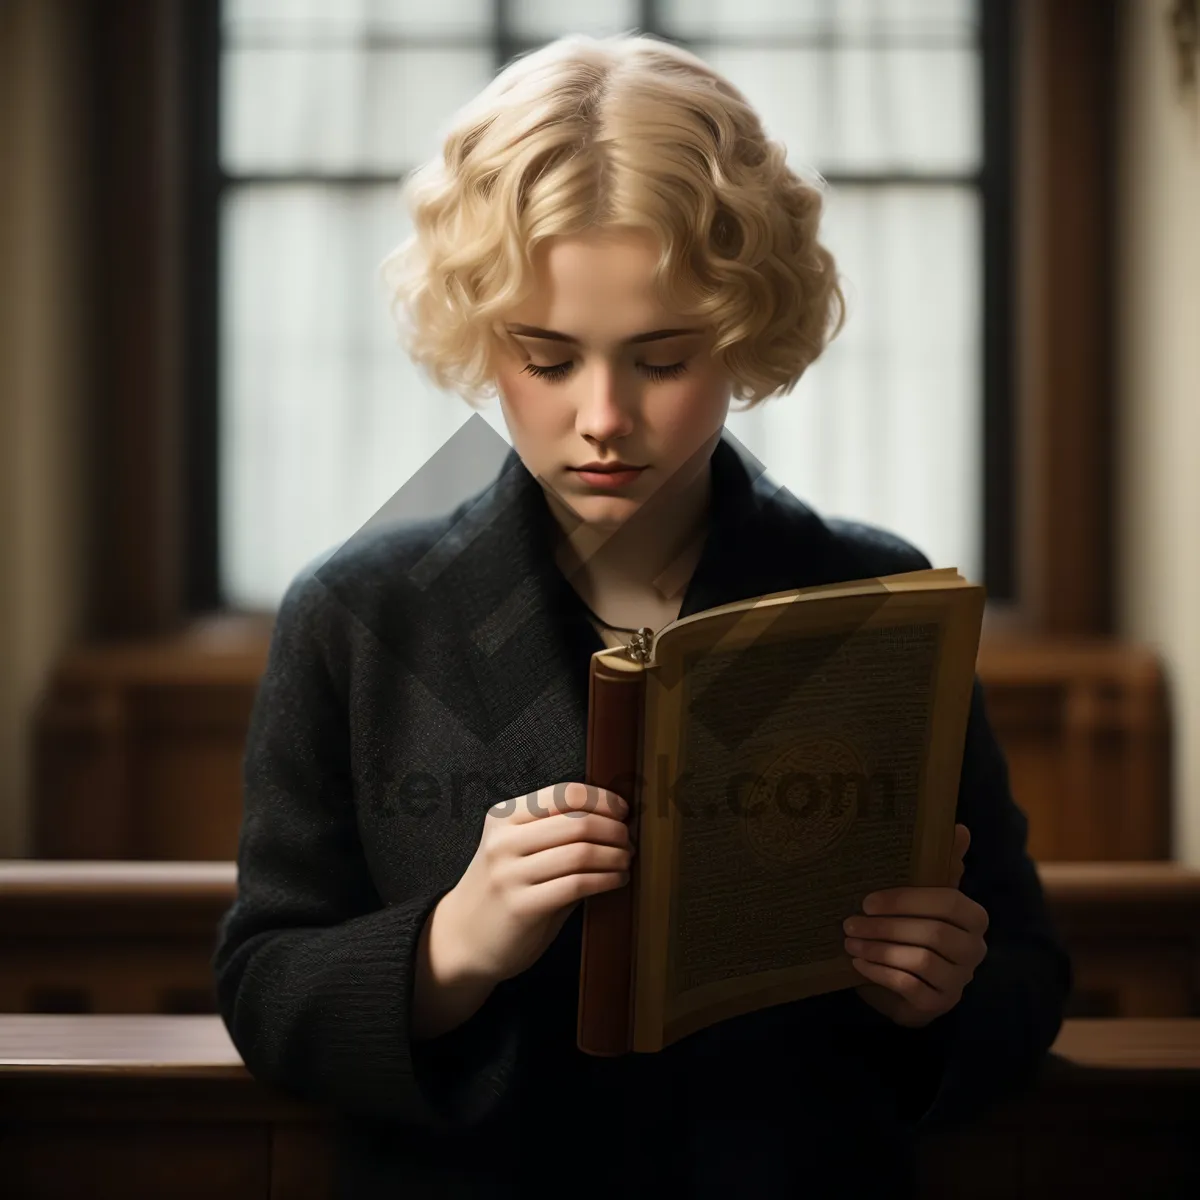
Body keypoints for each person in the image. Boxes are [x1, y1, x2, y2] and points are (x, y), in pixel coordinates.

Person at [212, 31, 1073, 1199]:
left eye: (662, 360)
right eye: (548, 358)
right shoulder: (358, 613)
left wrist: (937, 992)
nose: (604, 418)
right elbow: (266, 982)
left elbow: (1024, 972)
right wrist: (448, 949)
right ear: (481, 338)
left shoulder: (874, 597)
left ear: (747, 332)